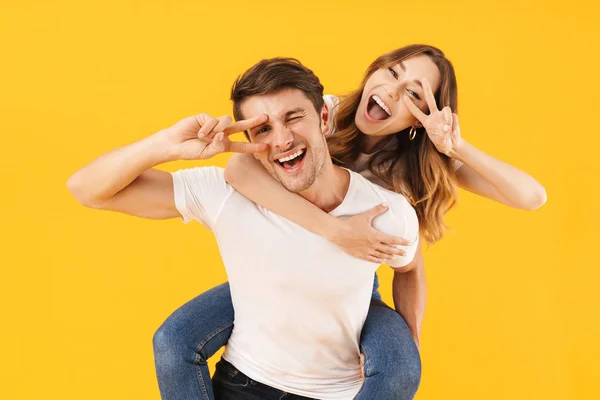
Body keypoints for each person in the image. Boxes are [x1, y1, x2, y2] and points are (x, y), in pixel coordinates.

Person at [151, 45, 547, 399]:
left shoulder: (418, 162)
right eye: (393, 72)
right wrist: (334, 231)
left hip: (353, 281)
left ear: (421, 118)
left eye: (414, 93)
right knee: (174, 338)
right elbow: (239, 169)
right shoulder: (325, 111)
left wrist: (454, 146)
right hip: (280, 267)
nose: (393, 91)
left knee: (401, 367)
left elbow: (531, 197)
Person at [67, 57, 423, 399]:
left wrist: (406, 348)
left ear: (324, 116)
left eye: (293, 118)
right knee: (172, 339)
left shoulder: (385, 211)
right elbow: (87, 190)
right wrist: (165, 144)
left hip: (338, 394)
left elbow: (409, 269)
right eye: (263, 129)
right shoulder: (224, 192)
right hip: (241, 387)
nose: (282, 140)